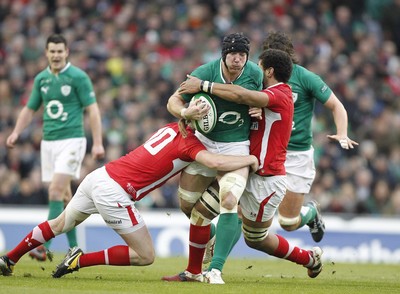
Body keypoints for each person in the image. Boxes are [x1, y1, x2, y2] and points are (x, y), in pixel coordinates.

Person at [0, 118, 259, 277]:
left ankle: (10, 258)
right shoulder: (190, 144)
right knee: (146, 255)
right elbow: (214, 160)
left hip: (99, 176)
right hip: (116, 192)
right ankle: (80, 259)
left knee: (59, 224)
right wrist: (249, 159)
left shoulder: (170, 128)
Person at [164, 49, 323, 284]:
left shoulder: (280, 93)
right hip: (246, 168)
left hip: (266, 179)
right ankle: (204, 270)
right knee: (203, 212)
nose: (255, 71)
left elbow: (240, 95)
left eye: (259, 66)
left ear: (269, 71)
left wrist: (203, 86)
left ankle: (309, 259)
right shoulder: (264, 95)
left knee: (256, 239)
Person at [162, 32, 263, 283]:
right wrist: (185, 111)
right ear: (223, 55)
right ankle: (214, 237)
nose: (238, 59)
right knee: (188, 206)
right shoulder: (205, 71)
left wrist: (260, 107)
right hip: (205, 144)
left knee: (229, 201)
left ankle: (215, 269)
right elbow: (173, 99)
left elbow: (265, 100)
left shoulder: (255, 74)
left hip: (238, 147)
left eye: (242, 55)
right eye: (233, 54)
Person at [5, 34, 105, 261]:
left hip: (72, 141)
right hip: (48, 143)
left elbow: (93, 109)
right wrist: (16, 132)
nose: (56, 55)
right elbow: (29, 109)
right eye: (52, 51)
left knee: (55, 191)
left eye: (60, 51)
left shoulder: (78, 77)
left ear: (67, 52)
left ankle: (42, 245)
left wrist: (97, 142)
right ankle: (74, 248)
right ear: (46, 53)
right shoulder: (42, 79)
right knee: (67, 198)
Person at [262, 31, 358, 242]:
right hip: (267, 150)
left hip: (297, 154)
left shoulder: (305, 77)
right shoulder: (259, 75)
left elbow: (336, 105)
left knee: (288, 223)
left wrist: (342, 133)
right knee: (250, 214)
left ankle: (311, 213)